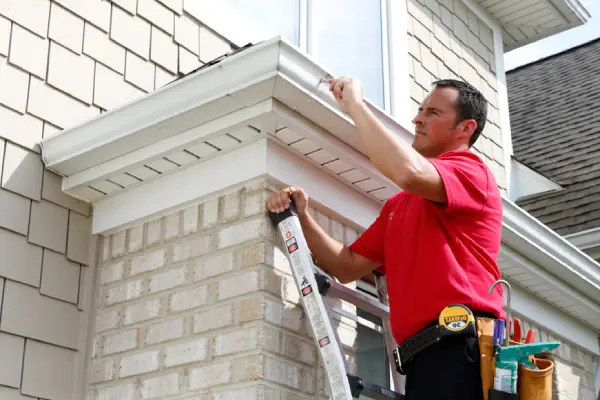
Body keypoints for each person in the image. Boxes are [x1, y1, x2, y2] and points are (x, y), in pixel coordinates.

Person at [267, 76, 506, 399]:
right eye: (420, 109)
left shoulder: (473, 173)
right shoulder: (400, 205)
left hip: (461, 352)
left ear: (465, 128)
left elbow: (407, 172)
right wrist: (303, 217)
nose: (417, 118)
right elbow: (347, 265)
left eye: (433, 113)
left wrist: (355, 105)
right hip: (423, 360)